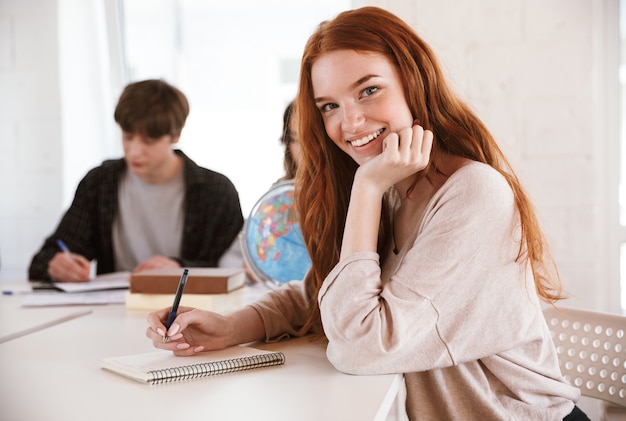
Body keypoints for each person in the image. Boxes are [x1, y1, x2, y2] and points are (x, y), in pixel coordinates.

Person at [145, 8, 588, 420]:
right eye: (330, 106)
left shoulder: (472, 193)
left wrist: (368, 186)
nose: (350, 123)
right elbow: (321, 293)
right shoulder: (396, 187)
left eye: (369, 90)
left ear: (414, 81)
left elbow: (361, 346)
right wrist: (229, 327)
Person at [29, 79, 244, 282]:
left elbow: (234, 270)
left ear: (176, 135)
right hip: (114, 312)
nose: (134, 152)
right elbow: (44, 258)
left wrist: (179, 268)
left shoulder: (216, 192)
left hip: (191, 312)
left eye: (149, 141)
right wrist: (55, 264)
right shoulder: (99, 183)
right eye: (127, 137)